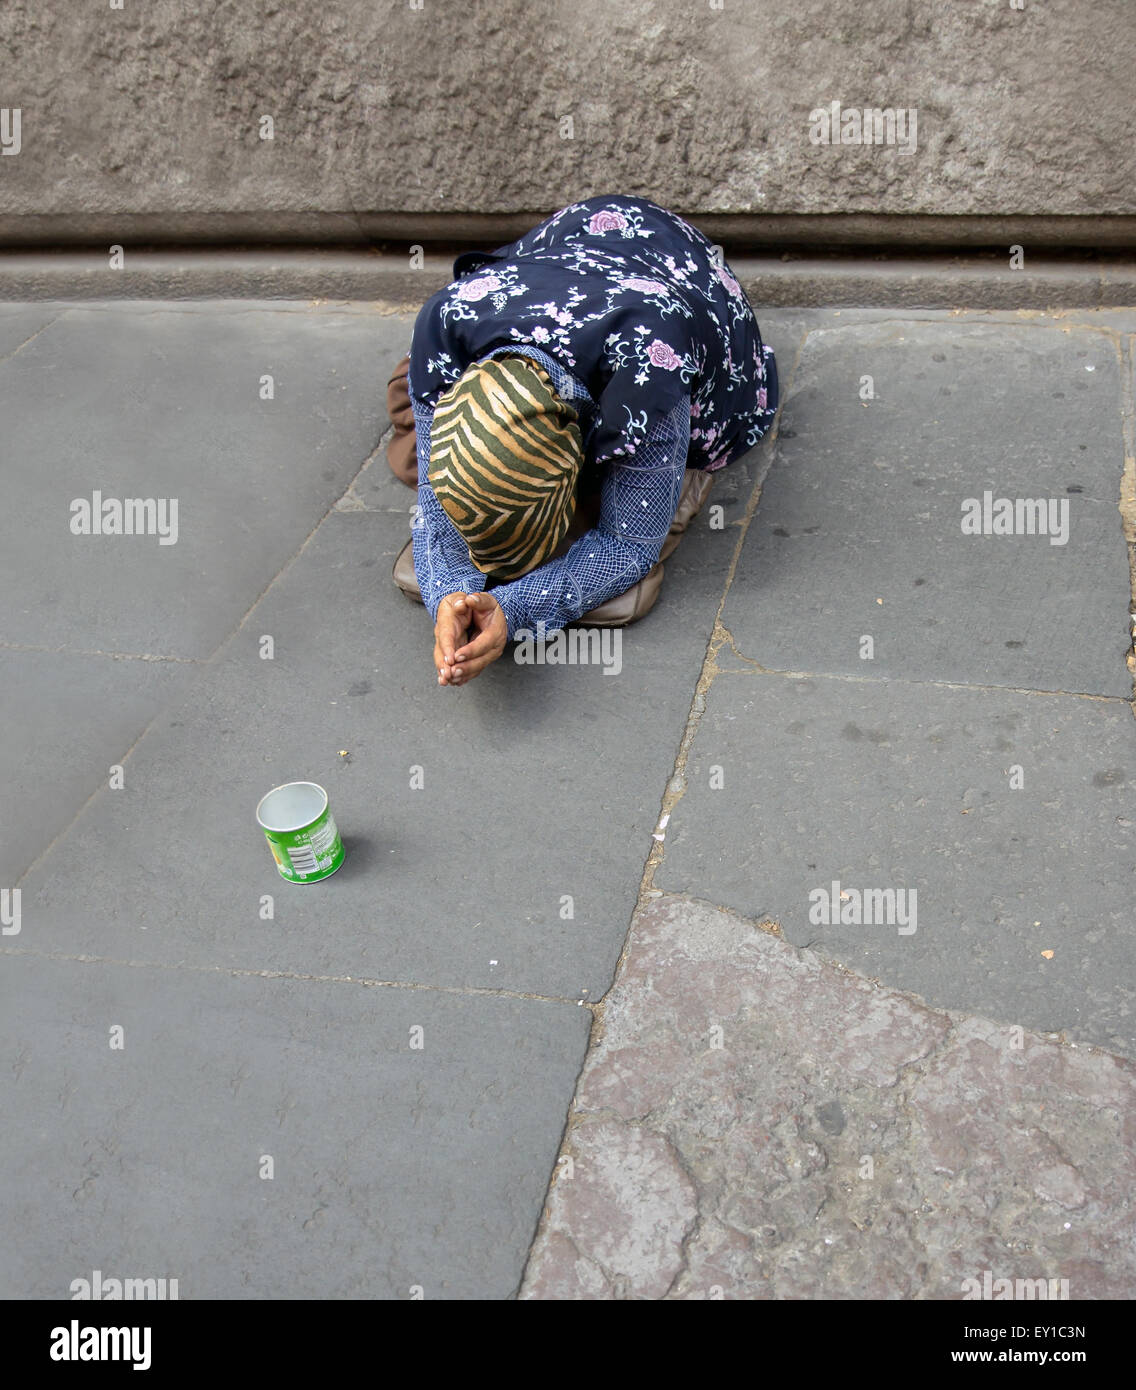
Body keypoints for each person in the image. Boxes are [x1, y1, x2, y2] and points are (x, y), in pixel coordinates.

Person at [385, 194, 778, 687]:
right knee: (411, 424)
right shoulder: (443, 323)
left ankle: (643, 479)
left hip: (678, 280)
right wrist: (452, 595)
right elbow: (433, 506)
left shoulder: (648, 376)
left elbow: (628, 546)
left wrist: (514, 610)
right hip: (568, 245)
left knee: (643, 511)